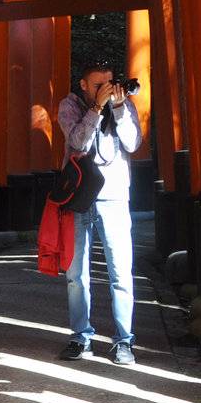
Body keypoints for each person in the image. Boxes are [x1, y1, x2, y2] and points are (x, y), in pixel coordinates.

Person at [56, 62, 142, 364]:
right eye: (97, 85)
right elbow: (77, 142)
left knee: (120, 272)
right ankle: (80, 337)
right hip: (79, 199)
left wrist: (118, 109)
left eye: (109, 83)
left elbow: (132, 143)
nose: (105, 89)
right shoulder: (70, 105)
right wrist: (95, 108)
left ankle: (124, 341)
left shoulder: (124, 105)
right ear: (83, 85)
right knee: (76, 274)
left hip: (114, 197)